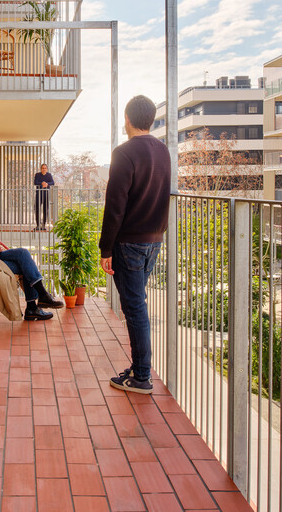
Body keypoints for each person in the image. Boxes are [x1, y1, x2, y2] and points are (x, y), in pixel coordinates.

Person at [99, 95, 171, 394]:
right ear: (151, 120)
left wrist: (105, 249)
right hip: (154, 240)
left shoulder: (124, 152)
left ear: (127, 119)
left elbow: (115, 205)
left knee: (135, 308)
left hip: (129, 242)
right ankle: (139, 368)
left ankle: (142, 376)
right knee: (137, 304)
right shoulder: (163, 151)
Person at [33, 163, 54, 230]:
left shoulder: (49, 175)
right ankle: (38, 225)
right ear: (41, 169)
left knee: (45, 210)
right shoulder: (37, 175)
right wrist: (42, 183)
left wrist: (47, 184)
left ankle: (43, 225)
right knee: (37, 209)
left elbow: (52, 183)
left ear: (47, 169)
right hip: (39, 194)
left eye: (45, 168)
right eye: (43, 168)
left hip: (46, 194)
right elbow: (35, 182)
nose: (44, 169)